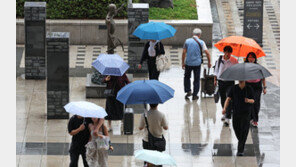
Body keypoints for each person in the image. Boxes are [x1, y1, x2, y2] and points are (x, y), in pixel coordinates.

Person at [222, 81, 255, 156]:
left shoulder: (249, 88)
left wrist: (248, 100)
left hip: (246, 113)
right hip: (236, 112)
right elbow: (228, 99)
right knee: (236, 127)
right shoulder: (234, 88)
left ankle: (240, 150)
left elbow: (253, 100)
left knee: (244, 130)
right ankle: (241, 141)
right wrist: (224, 108)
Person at [182, 28, 211, 100]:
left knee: (187, 77)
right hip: (197, 64)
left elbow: (183, 53)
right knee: (196, 79)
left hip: (188, 63)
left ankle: (188, 91)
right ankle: (195, 95)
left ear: (193, 34)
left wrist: (183, 62)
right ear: (200, 35)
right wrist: (209, 62)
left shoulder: (187, 41)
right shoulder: (201, 42)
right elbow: (207, 53)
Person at [213, 46, 238, 126]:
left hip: (230, 82)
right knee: (223, 98)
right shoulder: (220, 60)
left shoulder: (234, 60)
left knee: (229, 98)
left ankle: (227, 117)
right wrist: (215, 80)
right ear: (224, 52)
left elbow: (237, 70)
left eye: (229, 52)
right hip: (221, 81)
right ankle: (224, 112)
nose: (227, 54)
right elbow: (216, 71)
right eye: (226, 52)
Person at [244, 52, 267, 127]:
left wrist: (264, 87)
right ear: (247, 58)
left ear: (255, 59)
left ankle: (255, 120)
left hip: (257, 87)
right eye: (249, 57)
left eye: (252, 57)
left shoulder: (258, 67)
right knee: (249, 102)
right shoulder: (244, 66)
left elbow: (263, 78)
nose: (251, 59)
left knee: (255, 103)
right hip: (248, 86)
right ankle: (250, 117)